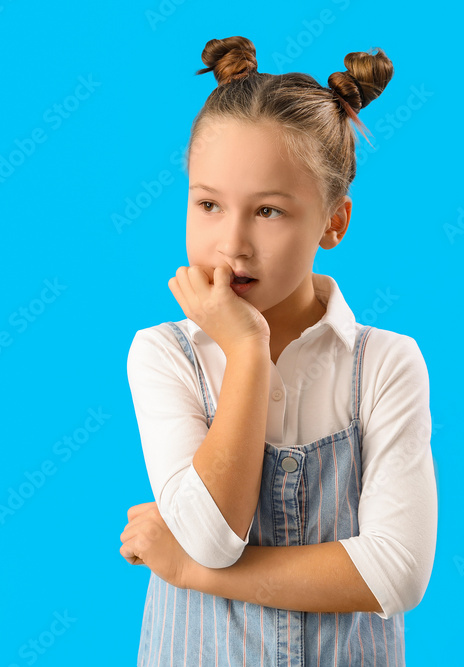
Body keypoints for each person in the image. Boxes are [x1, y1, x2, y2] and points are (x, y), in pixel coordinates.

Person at [119, 36, 438, 665]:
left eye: (268, 211)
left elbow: (396, 573)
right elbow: (213, 535)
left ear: (333, 222)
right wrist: (245, 348)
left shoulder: (385, 365)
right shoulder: (162, 355)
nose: (231, 243)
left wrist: (192, 574)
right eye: (208, 204)